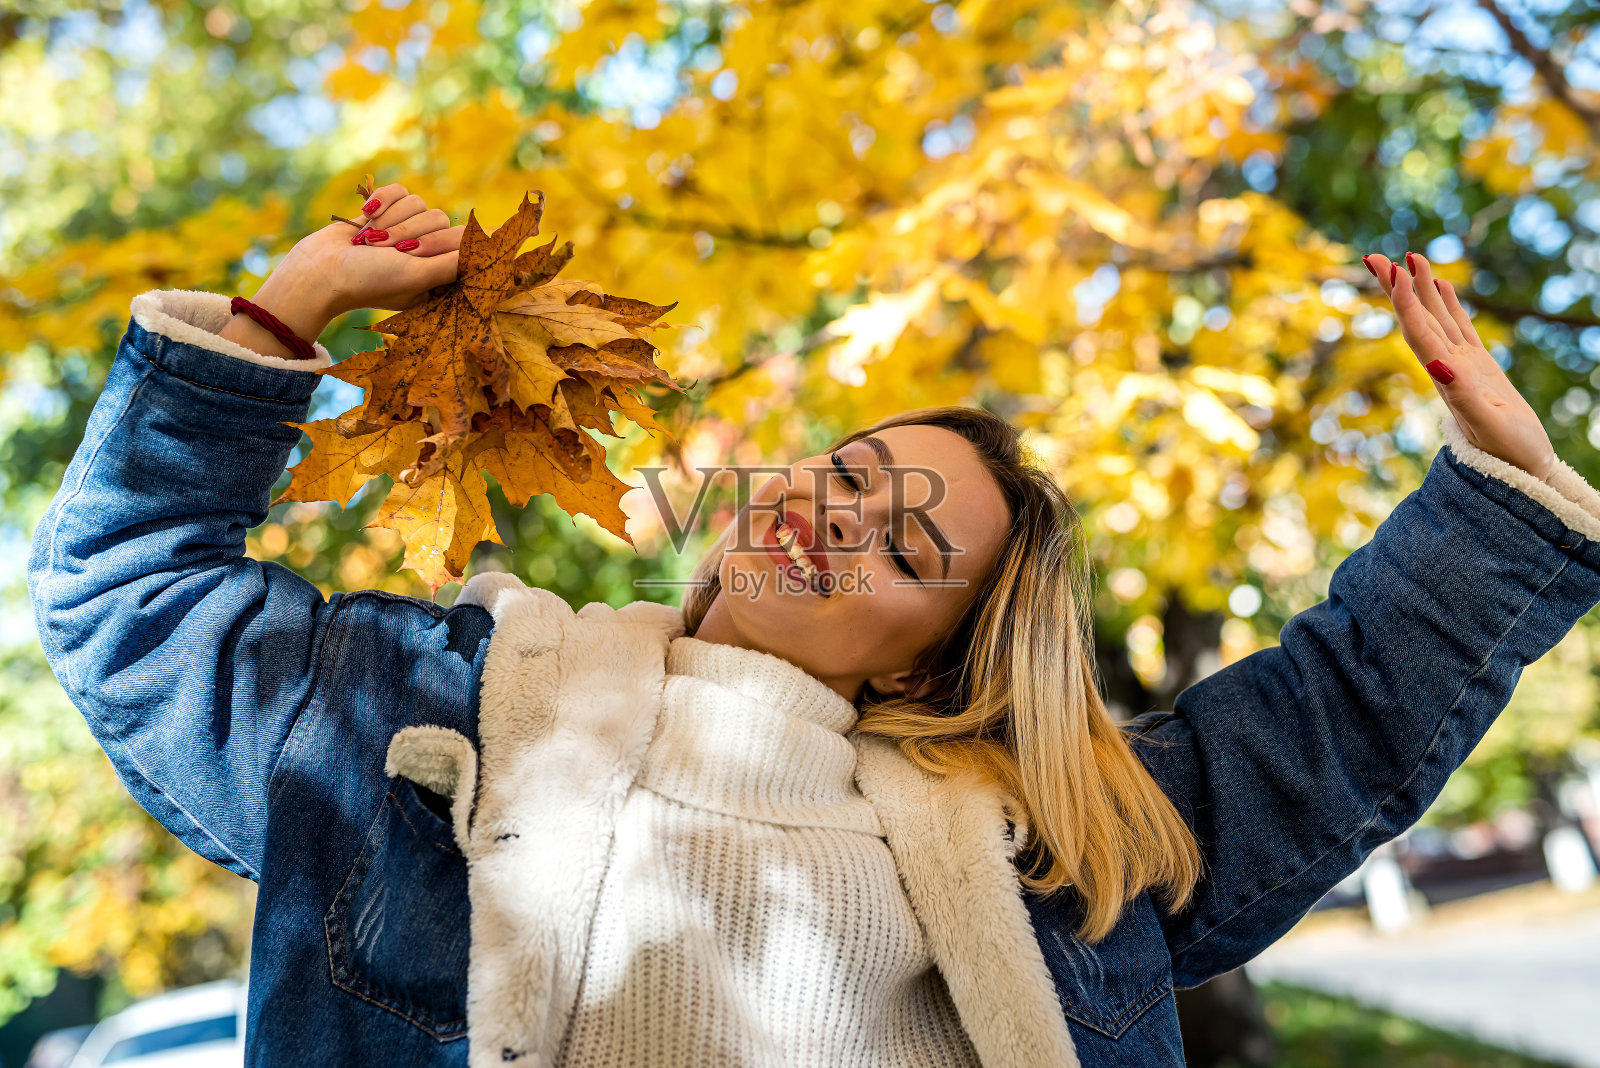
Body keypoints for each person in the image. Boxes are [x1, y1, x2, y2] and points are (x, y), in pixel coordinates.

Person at [27, 184, 1600, 1068]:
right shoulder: (429, 715)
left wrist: (1505, 490)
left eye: (911, 536)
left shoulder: (1055, 848)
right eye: (846, 474)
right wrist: (287, 305)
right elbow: (133, 592)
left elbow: (1343, 718)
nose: (842, 513)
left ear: (933, 657)